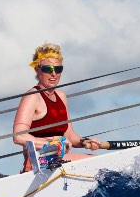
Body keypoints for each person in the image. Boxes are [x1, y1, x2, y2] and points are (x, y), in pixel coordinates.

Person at [12, 43, 102, 172]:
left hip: (59, 158)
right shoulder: (32, 97)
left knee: (96, 161)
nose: (54, 74)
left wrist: (85, 142)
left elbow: (69, 135)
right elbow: (18, 136)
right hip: (38, 162)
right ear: (37, 70)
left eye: (58, 69)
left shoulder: (61, 96)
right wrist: (51, 145)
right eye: (48, 69)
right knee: (94, 164)